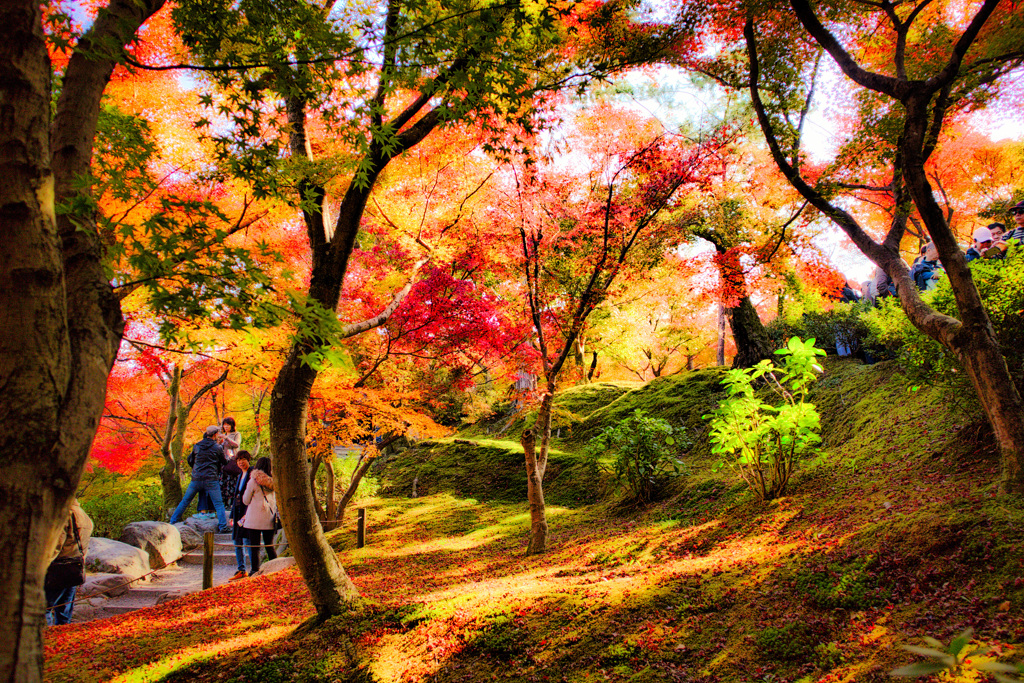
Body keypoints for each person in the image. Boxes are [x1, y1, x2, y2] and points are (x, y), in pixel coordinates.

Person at [169, 425, 230, 533]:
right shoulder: (217, 447)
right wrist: (228, 456)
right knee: (219, 504)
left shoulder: (197, 446)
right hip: (211, 479)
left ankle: (172, 522)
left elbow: (190, 459)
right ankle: (223, 527)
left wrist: (196, 469)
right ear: (215, 434)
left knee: (185, 501)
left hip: (196, 478)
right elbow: (224, 462)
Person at [45, 499, 93, 626]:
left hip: (58, 568)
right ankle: (63, 640)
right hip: (74, 567)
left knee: (43, 609)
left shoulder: (65, 514)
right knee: (64, 612)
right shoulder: (83, 515)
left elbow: (56, 545)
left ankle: (46, 641)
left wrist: (42, 564)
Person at [241, 456, 278, 576]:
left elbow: (246, 500)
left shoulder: (253, 481)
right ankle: (275, 569)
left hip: (254, 520)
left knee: (254, 547)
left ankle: (254, 570)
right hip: (269, 517)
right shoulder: (274, 482)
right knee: (269, 545)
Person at [229, 450, 253, 581]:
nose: (241, 462)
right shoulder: (240, 476)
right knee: (236, 540)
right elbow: (236, 497)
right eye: (238, 460)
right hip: (238, 512)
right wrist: (232, 515)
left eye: (243, 459)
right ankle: (241, 569)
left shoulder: (252, 474)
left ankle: (254, 568)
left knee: (247, 540)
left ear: (248, 460)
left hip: (248, 512)